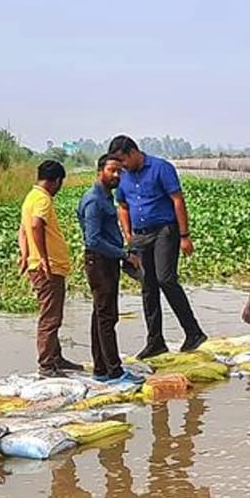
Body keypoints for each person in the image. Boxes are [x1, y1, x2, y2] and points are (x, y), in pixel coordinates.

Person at [106, 136, 206, 358]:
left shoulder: (161, 168)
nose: (122, 166)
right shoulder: (124, 177)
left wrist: (185, 236)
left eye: (123, 160)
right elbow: (122, 206)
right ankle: (155, 341)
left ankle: (193, 333)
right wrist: (128, 235)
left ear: (133, 152)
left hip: (164, 231)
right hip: (140, 236)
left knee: (165, 278)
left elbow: (177, 200)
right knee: (148, 287)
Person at [77, 154, 145, 385]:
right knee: (107, 317)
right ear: (100, 171)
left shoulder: (106, 197)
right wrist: (124, 254)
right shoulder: (94, 200)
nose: (116, 175)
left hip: (106, 261)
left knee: (101, 315)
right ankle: (114, 372)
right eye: (112, 171)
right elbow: (93, 240)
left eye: (119, 171)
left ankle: (101, 368)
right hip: (100, 262)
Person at [19, 160, 83, 378]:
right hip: (48, 268)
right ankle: (46, 365)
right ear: (56, 181)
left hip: (39, 265)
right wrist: (44, 259)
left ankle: (56, 357)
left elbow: (23, 230)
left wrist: (25, 254)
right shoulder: (43, 199)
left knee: (53, 314)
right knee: (50, 318)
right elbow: (35, 225)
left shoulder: (30, 197)